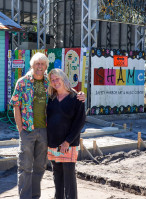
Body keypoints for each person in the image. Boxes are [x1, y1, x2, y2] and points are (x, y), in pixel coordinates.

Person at [10, 52, 85, 199]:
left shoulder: (49, 84)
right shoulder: (23, 83)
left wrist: (80, 95)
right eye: (37, 63)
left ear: (46, 67)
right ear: (32, 65)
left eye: (43, 64)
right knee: (25, 167)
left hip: (46, 133)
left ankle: (35, 196)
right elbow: (16, 106)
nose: (40, 67)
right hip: (28, 131)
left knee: (40, 167)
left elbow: (76, 113)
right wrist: (20, 130)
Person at [47, 68, 86, 199]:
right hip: (53, 143)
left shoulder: (76, 98)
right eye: (52, 80)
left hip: (68, 144)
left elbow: (79, 123)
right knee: (57, 176)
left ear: (63, 79)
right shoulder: (51, 99)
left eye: (57, 78)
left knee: (69, 178)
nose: (55, 82)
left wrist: (67, 141)